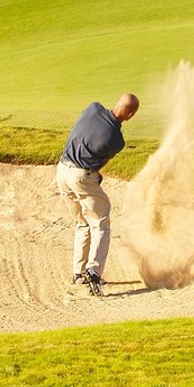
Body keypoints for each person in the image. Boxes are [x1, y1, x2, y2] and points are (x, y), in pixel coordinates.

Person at [55, 92, 138, 296]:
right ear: (130, 115)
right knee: (101, 223)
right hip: (81, 176)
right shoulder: (117, 140)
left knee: (82, 222)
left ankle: (78, 272)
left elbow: (82, 129)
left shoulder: (93, 107)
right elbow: (102, 162)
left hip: (62, 172)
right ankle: (94, 271)